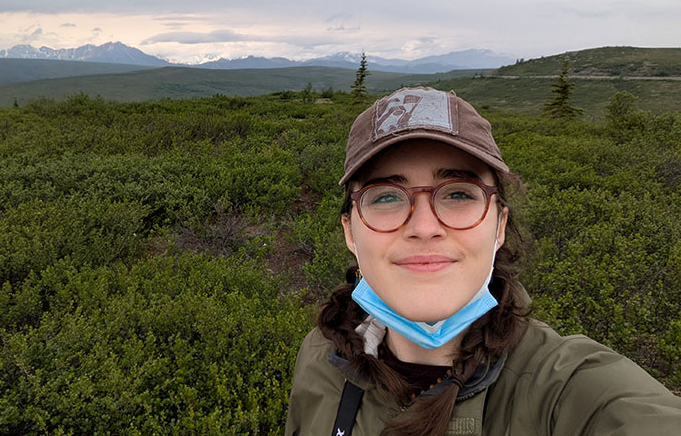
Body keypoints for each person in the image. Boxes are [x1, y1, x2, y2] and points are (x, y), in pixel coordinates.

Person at [285, 86, 681, 436]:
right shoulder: (322, 356)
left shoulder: (569, 389)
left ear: (499, 224)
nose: (424, 227)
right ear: (350, 231)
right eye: (385, 196)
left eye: (458, 194)